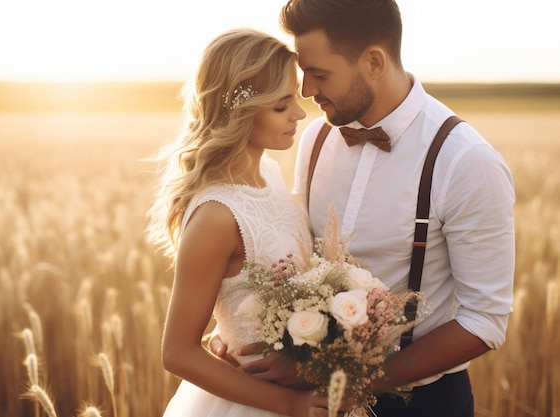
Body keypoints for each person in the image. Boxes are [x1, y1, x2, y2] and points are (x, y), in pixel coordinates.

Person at [212, 1, 516, 416]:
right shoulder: (314, 139)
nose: (306, 91)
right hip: (311, 399)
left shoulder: (465, 161)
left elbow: (484, 320)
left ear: (373, 61)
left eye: (319, 74)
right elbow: (296, 258)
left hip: (422, 403)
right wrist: (236, 331)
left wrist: (354, 380)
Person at [147, 28, 333, 417]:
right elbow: (177, 352)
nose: (300, 113)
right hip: (255, 405)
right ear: (240, 111)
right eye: (282, 105)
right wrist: (292, 404)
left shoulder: (271, 175)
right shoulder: (217, 215)